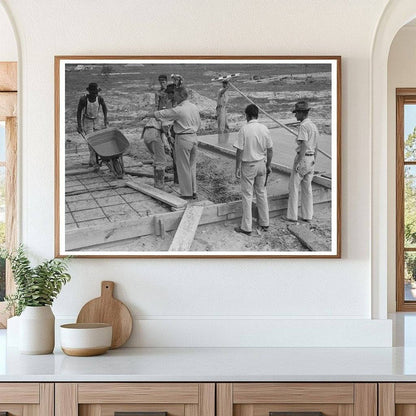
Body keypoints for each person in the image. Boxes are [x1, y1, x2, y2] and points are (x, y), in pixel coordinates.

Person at [140, 86, 201, 199]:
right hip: (194, 137)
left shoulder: (180, 109)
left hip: (183, 138)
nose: (174, 97)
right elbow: (199, 123)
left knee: (183, 167)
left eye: (176, 95)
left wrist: (148, 114)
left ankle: (186, 194)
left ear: (182, 96)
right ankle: (194, 191)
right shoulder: (194, 107)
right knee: (192, 166)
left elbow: (164, 113)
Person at [233, 104, 273, 236]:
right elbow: (270, 149)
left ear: (247, 116)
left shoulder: (244, 129)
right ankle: (265, 222)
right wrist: (268, 165)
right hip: (261, 163)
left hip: (249, 165)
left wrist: (237, 167)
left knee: (247, 195)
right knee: (261, 193)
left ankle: (246, 227)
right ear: (257, 115)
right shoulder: (264, 128)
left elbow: (239, 150)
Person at [286, 100, 319, 223]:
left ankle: (292, 216)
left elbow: (304, 144)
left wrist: (299, 162)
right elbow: (316, 145)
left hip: (303, 157)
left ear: (301, 113)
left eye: (296, 113)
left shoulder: (304, 126)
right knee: (307, 189)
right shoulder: (313, 126)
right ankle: (307, 215)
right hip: (311, 159)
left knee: (294, 187)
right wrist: (314, 160)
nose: (295, 115)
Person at [141, 78, 174, 190]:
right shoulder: (169, 110)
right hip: (154, 132)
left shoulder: (162, 110)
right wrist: (168, 141)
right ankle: (160, 186)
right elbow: (165, 128)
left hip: (147, 132)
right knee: (161, 161)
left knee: (157, 158)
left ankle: (157, 183)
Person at [77, 82, 108, 168]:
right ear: (89, 92)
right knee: (91, 142)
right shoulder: (83, 99)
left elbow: (104, 108)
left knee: (98, 140)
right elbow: (79, 112)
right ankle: (93, 162)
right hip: (87, 121)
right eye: (93, 93)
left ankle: (96, 160)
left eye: (96, 93)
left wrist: (105, 119)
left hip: (97, 119)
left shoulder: (100, 98)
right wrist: (79, 125)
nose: (95, 94)